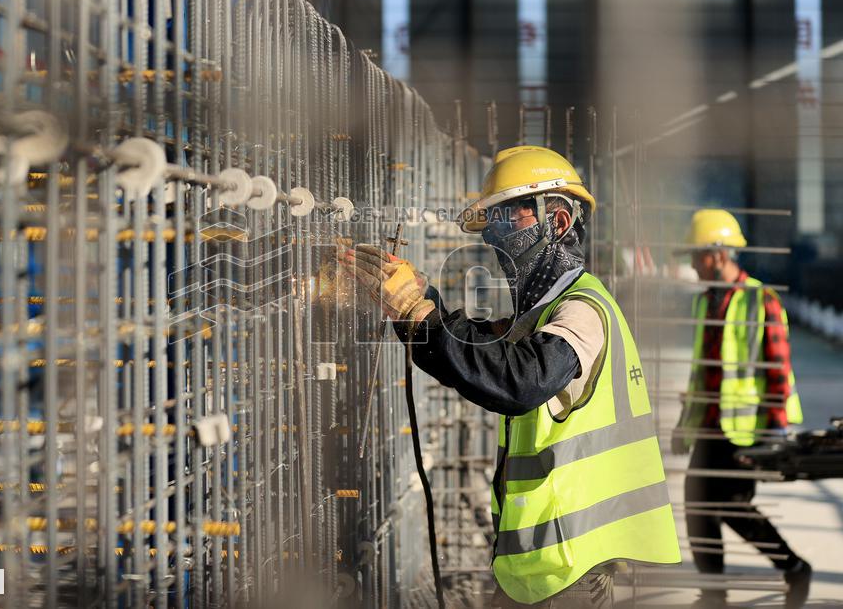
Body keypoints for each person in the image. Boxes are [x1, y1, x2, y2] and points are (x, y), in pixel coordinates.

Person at [342, 146, 680, 607]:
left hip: (567, 568)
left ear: (556, 223)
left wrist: (422, 317)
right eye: (490, 221)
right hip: (539, 563)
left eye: (507, 217)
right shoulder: (544, 315)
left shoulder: (582, 310)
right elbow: (482, 353)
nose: (492, 237)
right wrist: (422, 306)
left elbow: (519, 381)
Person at [673, 209, 810, 609]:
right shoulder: (705, 304)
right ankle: (714, 595)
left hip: (747, 427)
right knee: (697, 505)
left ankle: (794, 568)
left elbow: (778, 369)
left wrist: (776, 430)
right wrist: (686, 424)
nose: (692, 265)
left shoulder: (759, 300)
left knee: (731, 505)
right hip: (711, 425)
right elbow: (701, 372)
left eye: (696, 256)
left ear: (716, 254)